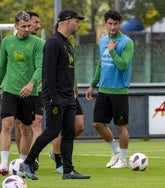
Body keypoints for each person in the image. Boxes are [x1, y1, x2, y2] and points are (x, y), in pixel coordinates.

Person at [23, 9, 90, 180]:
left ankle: (68, 170)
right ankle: (28, 162)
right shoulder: (53, 43)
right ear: (67, 21)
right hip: (55, 97)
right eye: (77, 20)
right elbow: (48, 73)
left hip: (68, 97)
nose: (79, 24)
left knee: (69, 132)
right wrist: (53, 97)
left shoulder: (67, 44)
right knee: (52, 132)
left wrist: (71, 95)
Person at [85, 9, 134, 168]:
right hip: (103, 90)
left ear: (119, 24)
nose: (112, 27)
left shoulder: (127, 42)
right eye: (110, 24)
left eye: (115, 24)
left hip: (119, 90)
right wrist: (93, 84)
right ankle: (115, 152)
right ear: (106, 24)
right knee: (97, 123)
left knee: (121, 127)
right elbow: (101, 64)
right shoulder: (103, 41)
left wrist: (112, 50)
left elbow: (123, 65)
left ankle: (123, 160)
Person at [0, 11, 43, 175]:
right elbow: (2, 66)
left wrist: (31, 84)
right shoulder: (6, 42)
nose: (26, 29)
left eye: (28, 26)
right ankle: (3, 164)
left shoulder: (38, 43)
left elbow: (40, 67)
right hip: (10, 90)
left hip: (29, 93)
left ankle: (23, 163)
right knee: (6, 125)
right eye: (23, 26)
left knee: (25, 129)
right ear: (16, 26)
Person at [49, 33, 85, 174]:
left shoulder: (71, 47)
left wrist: (75, 87)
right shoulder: (54, 45)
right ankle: (59, 162)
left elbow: (72, 71)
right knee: (59, 129)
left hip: (72, 94)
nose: (72, 36)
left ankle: (58, 151)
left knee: (79, 125)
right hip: (60, 94)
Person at [14, 11, 43, 170]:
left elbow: (42, 67)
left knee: (36, 123)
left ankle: (34, 157)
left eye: (38, 23)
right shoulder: (15, 43)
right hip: (17, 90)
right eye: (35, 22)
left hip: (37, 91)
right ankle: (22, 159)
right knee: (19, 125)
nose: (37, 26)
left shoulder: (39, 43)